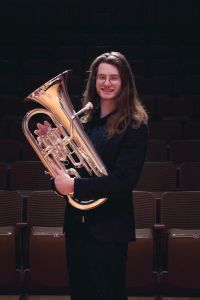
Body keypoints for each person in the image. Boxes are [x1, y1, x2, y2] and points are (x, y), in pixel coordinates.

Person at [35, 51, 148, 300]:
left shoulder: (135, 126)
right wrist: (51, 149)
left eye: (114, 78)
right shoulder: (83, 120)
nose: (106, 83)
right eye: (101, 77)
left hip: (109, 230)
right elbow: (66, 174)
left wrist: (74, 185)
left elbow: (122, 182)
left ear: (125, 82)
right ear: (94, 81)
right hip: (77, 228)